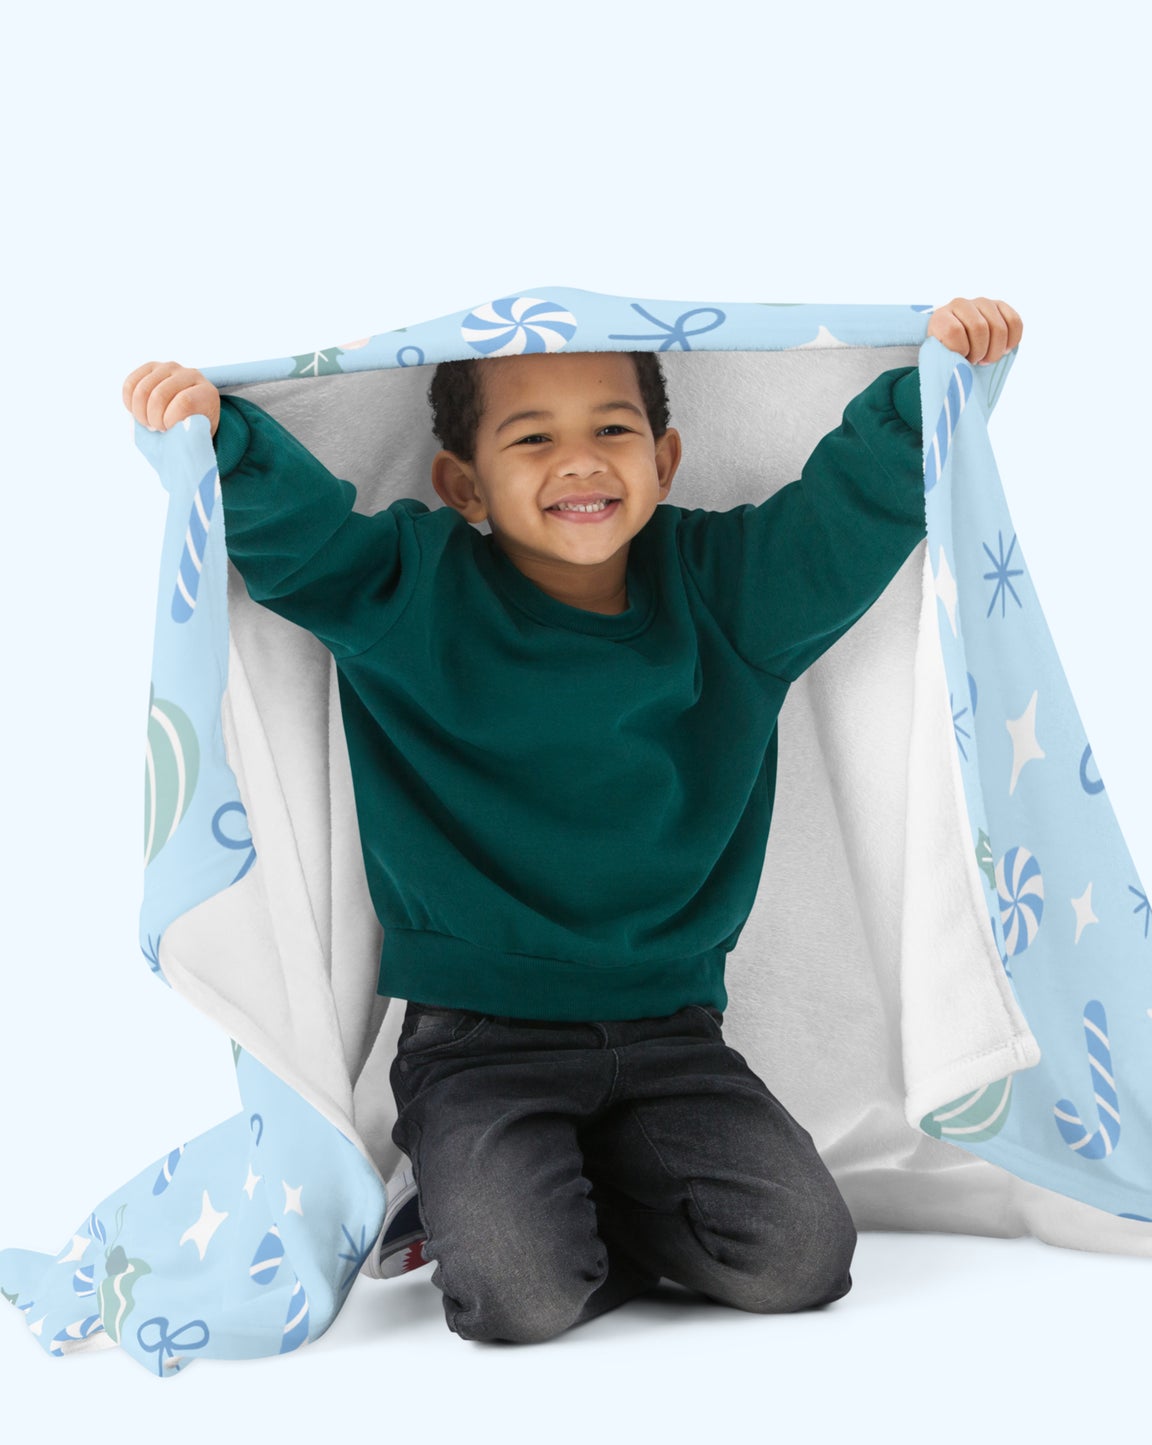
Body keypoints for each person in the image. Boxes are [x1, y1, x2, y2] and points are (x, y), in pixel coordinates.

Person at [120, 295, 1024, 1345]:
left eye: (611, 429)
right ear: (463, 484)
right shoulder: (413, 594)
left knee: (800, 1257)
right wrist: (217, 440)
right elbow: (304, 542)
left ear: (664, 460)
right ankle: (481, 1198)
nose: (581, 461)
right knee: (522, 1296)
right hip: (477, 1041)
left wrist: (933, 396)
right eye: (532, 439)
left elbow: (845, 520)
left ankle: (566, 1191)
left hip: (671, 1033)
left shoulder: (726, 591)